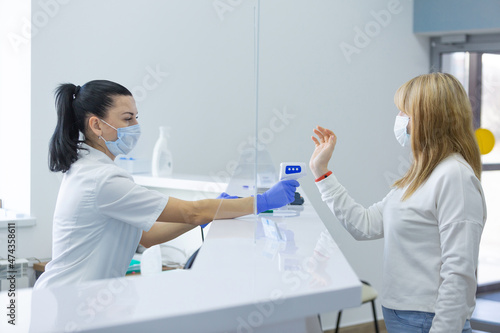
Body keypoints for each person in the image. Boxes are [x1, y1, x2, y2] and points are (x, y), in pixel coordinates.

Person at [34, 80, 299, 289]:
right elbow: (191, 211)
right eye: (127, 118)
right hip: (70, 299)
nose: (136, 125)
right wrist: (260, 202)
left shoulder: (91, 170)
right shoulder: (100, 179)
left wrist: (210, 214)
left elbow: (146, 237)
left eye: (136, 117)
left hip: (80, 297)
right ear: (96, 125)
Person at [309, 73, 486, 333]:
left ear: (428, 118)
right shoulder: (419, 174)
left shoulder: (454, 177)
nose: (399, 120)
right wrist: (321, 171)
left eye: (405, 113)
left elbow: (459, 272)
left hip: (427, 320)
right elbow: (364, 225)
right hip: (401, 315)